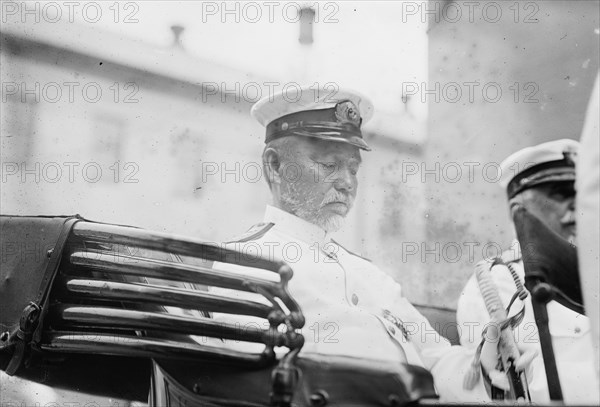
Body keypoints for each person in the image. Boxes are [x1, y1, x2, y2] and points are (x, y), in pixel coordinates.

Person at [214, 85, 535, 402]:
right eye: (329, 165)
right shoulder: (247, 261)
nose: (346, 182)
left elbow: (436, 359)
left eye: (353, 168)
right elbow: (259, 386)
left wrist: (481, 367)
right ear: (275, 165)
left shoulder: (370, 275)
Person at [457, 139, 599, 404]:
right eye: (561, 194)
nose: (577, 208)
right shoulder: (497, 283)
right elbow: (513, 389)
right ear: (518, 211)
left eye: (581, 195)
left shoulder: (593, 272)